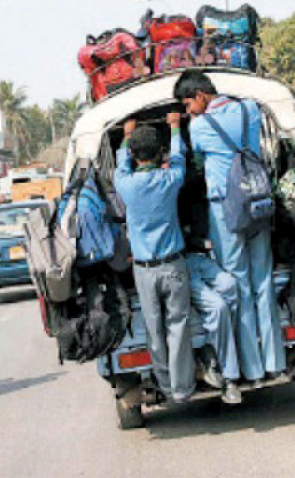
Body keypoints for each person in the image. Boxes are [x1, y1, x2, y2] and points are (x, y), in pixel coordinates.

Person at [174, 69, 284, 384]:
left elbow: (195, 164)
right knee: (262, 280)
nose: (187, 111)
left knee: (239, 284)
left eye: (187, 104)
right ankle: (274, 359)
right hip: (258, 203)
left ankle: (251, 368)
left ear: (200, 95)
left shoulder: (198, 127)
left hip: (226, 210)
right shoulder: (249, 108)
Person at [114, 113, 196, 403]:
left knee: (154, 330)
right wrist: (175, 127)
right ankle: (183, 387)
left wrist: (126, 134)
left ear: (135, 156)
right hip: (173, 265)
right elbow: (179, 158)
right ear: (159, 152)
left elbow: (120, 164)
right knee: (179, 327)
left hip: (144, 271)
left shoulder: (125, 184)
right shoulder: (170, 180)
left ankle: (164, 382)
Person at [185, 245, 242, 404]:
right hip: (177, 264)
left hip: (198, 257)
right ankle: (229, 376)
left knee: (230, 285)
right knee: (218, 307)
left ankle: (213, 350)